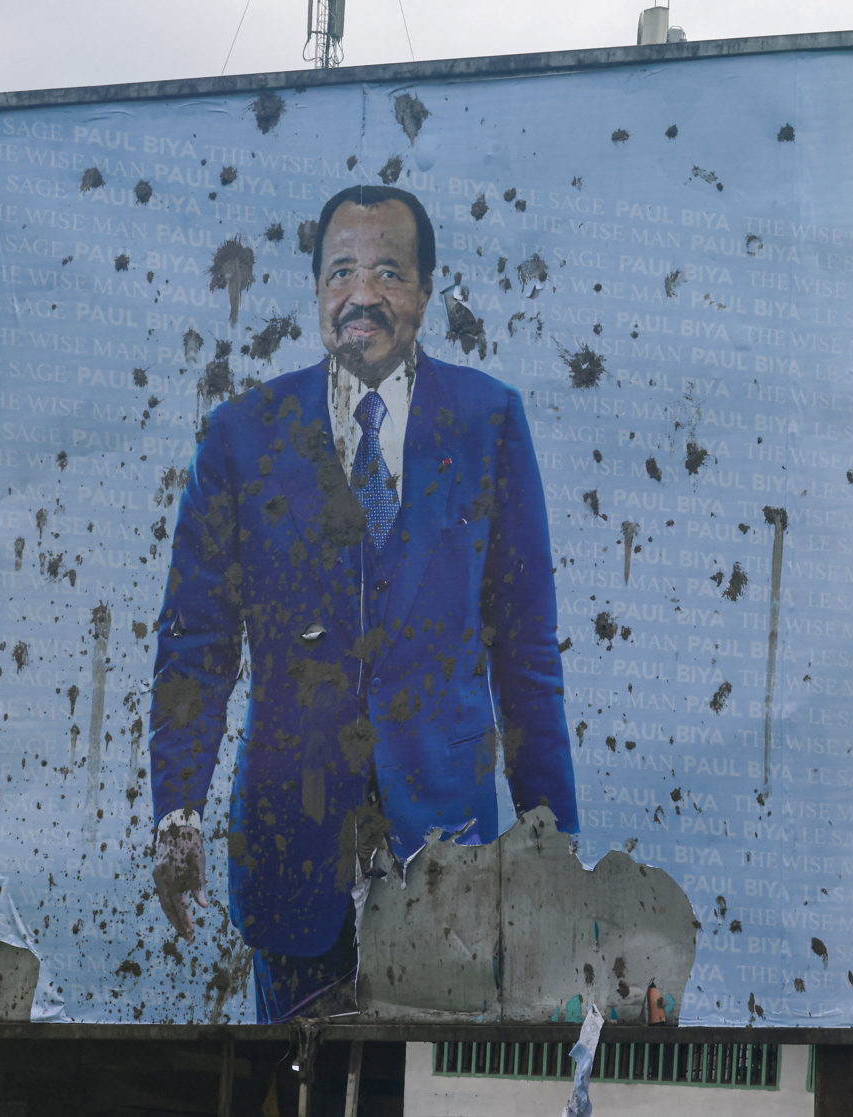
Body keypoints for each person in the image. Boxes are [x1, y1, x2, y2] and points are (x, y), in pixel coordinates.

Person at [148, 184, 578, 1023]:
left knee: (428, 1095)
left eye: (389, 271)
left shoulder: (489, 422)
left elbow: (525, 649)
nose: (363, 293)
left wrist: (549, 845)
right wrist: (178, 810)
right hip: (288, 847)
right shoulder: (242, 436)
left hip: (446, 853)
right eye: (341, 271)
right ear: (316, 293)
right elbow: (194, 639)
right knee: (295, 1081)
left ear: (424, 293)